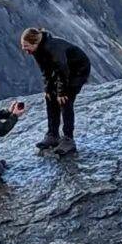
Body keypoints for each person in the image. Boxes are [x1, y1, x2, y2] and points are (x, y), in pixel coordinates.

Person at [20, 26, 91, 155]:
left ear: (35, 42)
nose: (25, 50)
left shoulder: (52, 47)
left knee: (65, 100)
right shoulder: (37, 50)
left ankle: (69, 139)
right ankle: (52, 134)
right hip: (63, 70)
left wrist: (61, 92)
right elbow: (45, 70)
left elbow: (62, 69)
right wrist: (48, 88)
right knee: (50, 98)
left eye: (26, 46)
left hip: (78, 69)